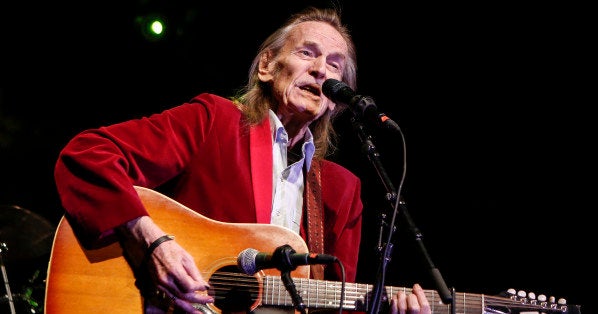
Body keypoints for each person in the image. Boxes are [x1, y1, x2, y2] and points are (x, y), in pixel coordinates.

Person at [53, 6, 432, 314]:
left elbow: (330, 306)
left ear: (336, 98)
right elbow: (87, 156)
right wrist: (151, 243)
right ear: (266, 66)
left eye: (335, 65)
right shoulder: (213, 122)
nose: (321, 70)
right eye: (307, 53)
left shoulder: (341, 191)